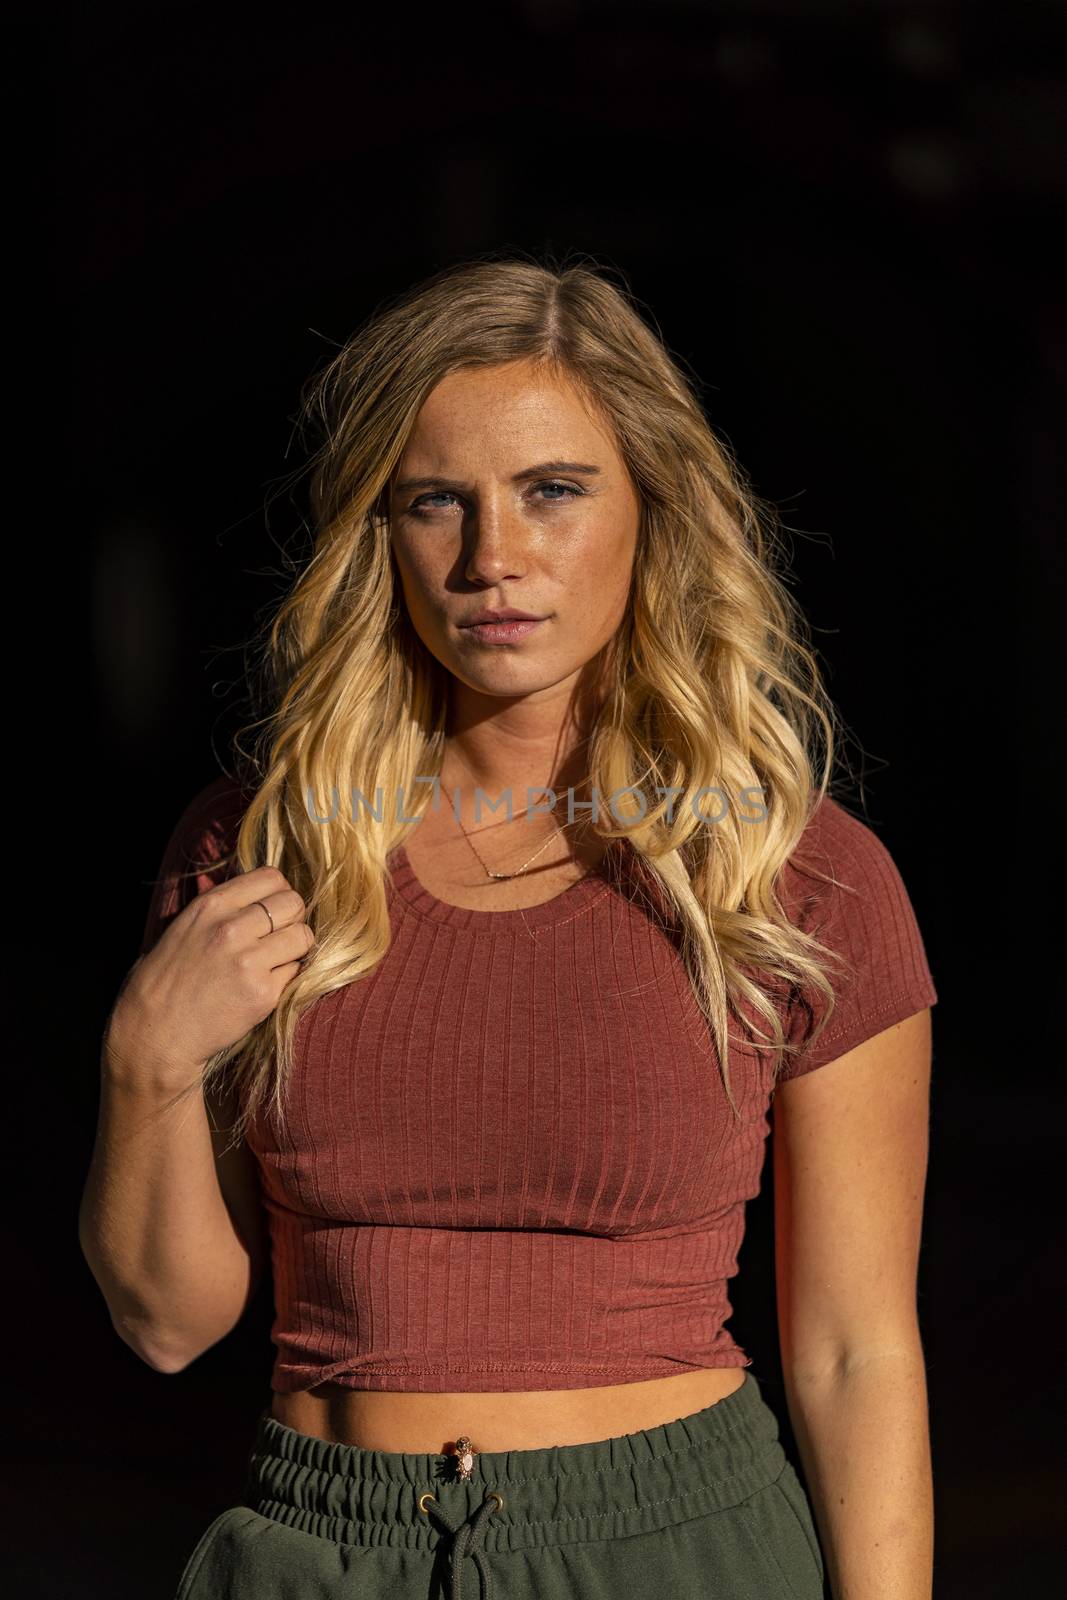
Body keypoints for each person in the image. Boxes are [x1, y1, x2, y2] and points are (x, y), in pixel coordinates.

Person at [80, 254, 938, 1600]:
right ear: (386, 531)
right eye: (438, 502)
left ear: (650, 510)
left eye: (553, 492)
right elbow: (170, 1324)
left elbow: (853, 1349)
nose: (493, 558)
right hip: (319, 1546)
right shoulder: (260, 856)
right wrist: (144, 1063)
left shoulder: (791, 874)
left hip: (680, 1546)